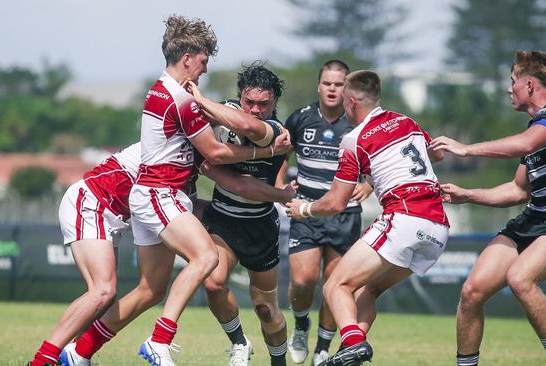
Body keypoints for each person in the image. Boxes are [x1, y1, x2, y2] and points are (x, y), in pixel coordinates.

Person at [58, 15, 290, 366]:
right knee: (204, 261)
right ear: (188, 58)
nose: (205, 70)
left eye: (264, 104)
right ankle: (159, 340)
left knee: (150, 290)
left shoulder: (181, 97)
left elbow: (245, 133)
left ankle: (78, 352)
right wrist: (274, 171)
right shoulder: (182, 99)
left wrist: (207, 105)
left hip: (166, 197)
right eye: (203, 61)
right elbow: (216, 157)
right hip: (145, 193)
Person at [430, 51, 546, 366]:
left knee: (520, 278)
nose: (509, 89)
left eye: (513, 82)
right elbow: (519, 189)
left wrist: (466, 149)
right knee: (472, 292)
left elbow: (524, 144)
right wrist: (468, 195)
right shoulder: (538, 128)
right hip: (534, 220)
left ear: (530, 85)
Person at [286, 70, 449, 366]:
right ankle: (352, 351)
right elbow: (435, 156)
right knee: (366, 289)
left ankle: (353, 343)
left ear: (351, 102)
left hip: (404, 217)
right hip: (437, 228)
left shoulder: (354, 140)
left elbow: (336, 202)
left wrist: (304, 209)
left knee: (335, 286)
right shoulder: (407, 121)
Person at [190, 63, 292, 366]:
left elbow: (248, 185)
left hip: (260, 227)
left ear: (274, 104)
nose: (256, 110)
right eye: (250, 102)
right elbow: (209, 164)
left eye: (264, 104)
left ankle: (279, 362)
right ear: (240, 98)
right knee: (213, 283)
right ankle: (239, 342)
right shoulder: (225, 114)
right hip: (222, 220)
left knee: (265, 308)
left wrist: (200, 98)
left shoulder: (276, 131)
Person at [278, 60, 372, 366]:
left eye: (339, 84)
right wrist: (280, 184)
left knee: (337, 284)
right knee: (303, 280)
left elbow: (378, 157)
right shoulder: (301, 118)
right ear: (319, 86)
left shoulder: (359, 121)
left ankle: (324, 346)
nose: (333, 89)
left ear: (348, 89)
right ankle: (302, 324)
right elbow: (281, 150)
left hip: (345, 214)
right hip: (306, 211)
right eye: (328, 84)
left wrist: (368, 185)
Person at [27, 143, 140, 366]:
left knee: (103, 296)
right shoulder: (171, 141)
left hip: (110, 213)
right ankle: (42, 361)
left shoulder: (184, 149)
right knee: (103, 291)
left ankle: (72, 357)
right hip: (92, 202)